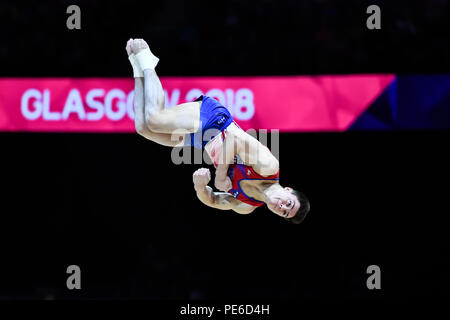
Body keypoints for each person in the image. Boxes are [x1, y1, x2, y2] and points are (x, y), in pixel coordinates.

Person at [126, 38, 310, 224]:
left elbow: (213, 200)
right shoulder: (268, 166)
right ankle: (147, 60)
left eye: (285, 213)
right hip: (216, 122)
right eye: (289, 204)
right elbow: (235, 139)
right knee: (154, 120)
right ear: (288, 190)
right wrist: (220, 175)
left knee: (143, 128)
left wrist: (200, 187)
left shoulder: (247, 206)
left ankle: (137, 66)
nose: (282, 207)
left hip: (202, 141)